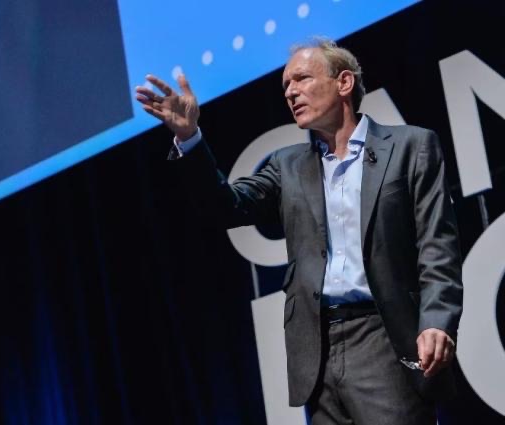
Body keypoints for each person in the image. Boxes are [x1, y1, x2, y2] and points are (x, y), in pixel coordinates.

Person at [135, 38, 463, 425]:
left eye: (302, 79)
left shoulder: (411, 146)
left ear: (343, 83)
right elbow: (226, 206)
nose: (290, 92)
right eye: (286, 86)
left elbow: (437, 246)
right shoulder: (287, 166)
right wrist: (190, 137)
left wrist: (436, 321)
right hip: (317, 352)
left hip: (383, 337)